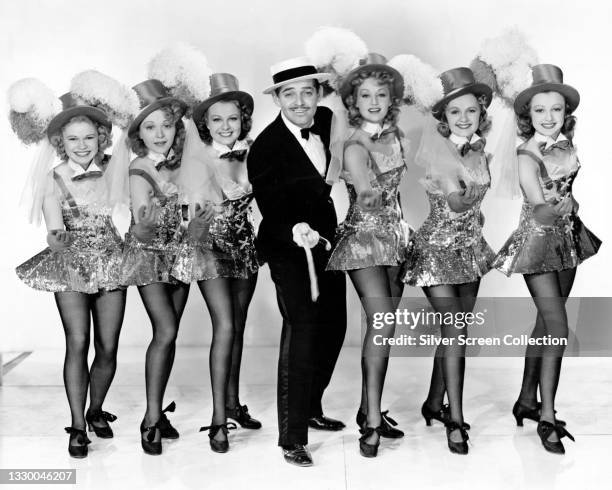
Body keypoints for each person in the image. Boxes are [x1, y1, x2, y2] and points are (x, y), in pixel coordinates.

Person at [11, 74, 130, 458]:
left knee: (108, 347)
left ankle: (96, 411)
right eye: (73, 139)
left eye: (89, 138)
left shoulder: (115, 168)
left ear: (100, 138)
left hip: (112, 260)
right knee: (77, 342)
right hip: (71, 264)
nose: (82, 146)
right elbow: (54, 227)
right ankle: (78, 426)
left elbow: (144, 190)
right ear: (61, 142)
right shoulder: (53, 179)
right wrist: (56, 239)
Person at [492, 64, 600, 454]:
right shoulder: (526, 153)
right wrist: (555, 205)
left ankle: (526, 399)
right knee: (557, 326)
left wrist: (572, 203)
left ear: (565, 113)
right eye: (540, 111)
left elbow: (568, 189)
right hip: (538, 242)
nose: (549, 117)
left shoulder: (567, 145)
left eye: (556, 109)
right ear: (529, 115)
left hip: (568, 239)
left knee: (545, 323)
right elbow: (538, 207)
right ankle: (548, 416)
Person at [247, 57, 347, 467]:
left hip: (328, 244)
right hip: (288, 247)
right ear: (278, 99)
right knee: (302, 328)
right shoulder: (266, 146)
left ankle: (311, 405)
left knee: (335, 326)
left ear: (318, 93)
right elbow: (269, 205)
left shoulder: (324, 119)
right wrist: (296, 228)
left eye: (308, 91)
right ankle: (292, 436)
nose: (301, 101)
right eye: (291, 94)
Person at [403, 67, 495, 454]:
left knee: (457, 332)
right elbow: (456, 201)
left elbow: (476, 209)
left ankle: (432, 402)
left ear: (480, 113)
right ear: (442, 117)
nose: (462, 118)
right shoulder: (437, 152)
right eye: (454, 112)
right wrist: (468, 197)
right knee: (454, 331)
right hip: (437, 253)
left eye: (470, 111)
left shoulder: (480, 148)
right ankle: (454, 420)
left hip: (471, 251)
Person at [326, 53, 409, 458]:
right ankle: (372, 421)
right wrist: (368, 191)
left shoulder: (397, 136)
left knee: (385, 326)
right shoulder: (355, 144)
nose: (373, 101)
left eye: (380, 93)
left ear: (391, 98)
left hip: (396, 239)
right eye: (364, 95)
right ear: (353, 101)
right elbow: (362, 182)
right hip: (363, 239)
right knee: (383, 320)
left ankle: (368, 409)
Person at [172, 73, 260, 453]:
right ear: (204, 124)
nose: (226, 127)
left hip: (245, 247)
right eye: (217, 120)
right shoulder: (196, 161)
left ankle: (232, 402)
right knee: (224, 325)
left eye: (233, 119)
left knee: (238, 325)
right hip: (210, 248)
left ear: (242, 121)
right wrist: (194, 223)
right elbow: (186, 219)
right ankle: (217, 421)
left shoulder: (253, 151)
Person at [122, 79, 208, 455]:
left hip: (179, 253)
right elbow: (142, 215)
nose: (160, 134)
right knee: (167, 328)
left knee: (168, 336)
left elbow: (196, 209)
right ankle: (151, 419)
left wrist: (199, 219)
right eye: (150, 127)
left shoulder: (184, 164)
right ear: (139, 134)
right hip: (148, 255)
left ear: (177, 128)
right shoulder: (139, 167)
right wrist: (146, 218)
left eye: (166, 126)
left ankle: (158, 412)